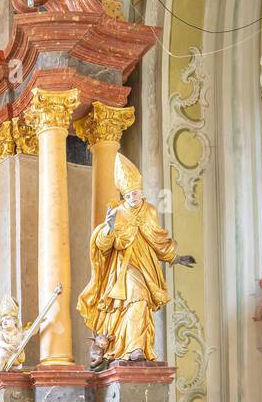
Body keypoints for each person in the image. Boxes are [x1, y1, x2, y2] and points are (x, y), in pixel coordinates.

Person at [77, 153, 195, 363]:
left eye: (137, 192)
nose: (135, 197)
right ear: (124, 195)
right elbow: (102, 246)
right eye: (130, 194)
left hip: (146, 264)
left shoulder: (149, 210)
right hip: (124, 266)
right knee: (137, 297)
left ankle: (134, 346)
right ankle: (134, 348)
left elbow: (156, 238)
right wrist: (109, 228)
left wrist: (175, 257)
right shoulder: (117, 212)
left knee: (139, 304)